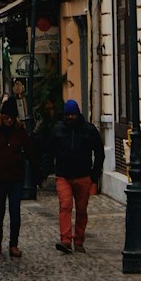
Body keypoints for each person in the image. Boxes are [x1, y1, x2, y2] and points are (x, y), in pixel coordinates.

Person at [39, 98, 105, 254]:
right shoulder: (58, 130)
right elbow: (49, 153)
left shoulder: (89, 130)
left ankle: (79, 240)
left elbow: (99, 153)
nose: (71, 118)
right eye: (68, 115)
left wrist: (94, 174)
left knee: (82, 210)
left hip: (83, 176)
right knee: (65, 205)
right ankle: (66, 240)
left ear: (78, 114)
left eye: (73, 115)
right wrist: (44, 172)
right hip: (63, 176)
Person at [0, 96, 35, 258]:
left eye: (11, 117)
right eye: (6, 117)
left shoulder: (20, 130)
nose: (9, 120)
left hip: (16, 177)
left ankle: (13, 244)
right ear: (2, 116)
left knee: (15, 212)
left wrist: (31, 164)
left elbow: (30, 150)